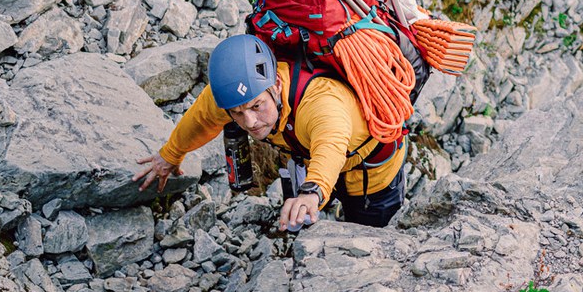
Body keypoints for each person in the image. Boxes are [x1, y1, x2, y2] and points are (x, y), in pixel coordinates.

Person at [135, 33, 406, 232]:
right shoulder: (236, 94)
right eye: (238, 113)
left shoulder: (322, 102)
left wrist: (312, 192)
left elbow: (330, 145)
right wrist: (170, 155)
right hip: (306, 156)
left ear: (276, 84)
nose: (250, 122)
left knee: (370, 235)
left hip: (370, 170)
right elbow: (201, 118)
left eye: (256, 107)